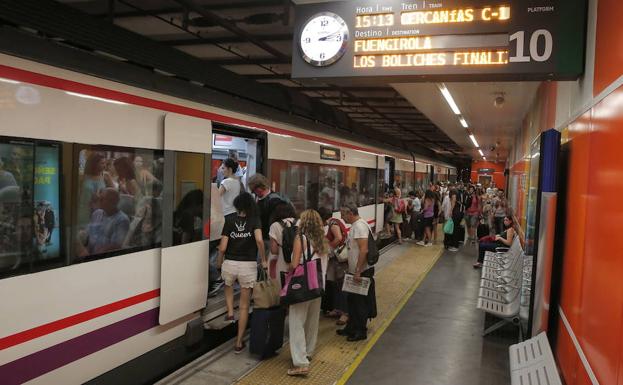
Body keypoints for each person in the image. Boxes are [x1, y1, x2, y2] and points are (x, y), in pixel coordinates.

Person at [216, 192, 267, 353]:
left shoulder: (230, 220)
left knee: (228, 284)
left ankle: (230, 312)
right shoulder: (255, 220)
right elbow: (259, 240)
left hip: (230, 263)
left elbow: (223, 247)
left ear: (238, 206)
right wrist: (264, 259)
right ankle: (238, 343)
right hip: (248, 266)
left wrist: (219, 261)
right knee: (244, 307)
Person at [286, 209, 329, 376]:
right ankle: (308, 352)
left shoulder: (301, 238)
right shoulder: (322, 240)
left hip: (303, 286)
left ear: (303, 222)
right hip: (318, 286)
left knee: (296, 323)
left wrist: (288, 270)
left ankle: (301, 363)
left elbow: (295, 263)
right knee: (312, 321)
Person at [338, 204, 376, 342]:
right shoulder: (356, 225)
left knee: (360, 303)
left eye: (343, 215)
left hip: (361, 271)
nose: (342, 218)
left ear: (350, 213)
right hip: (355, 270)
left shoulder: (359, 226)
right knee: (352, 301)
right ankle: (351, 327)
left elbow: (364, 250)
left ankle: (360, 331)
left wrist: (358, 270)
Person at [318, 206, 348, 326]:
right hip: (335, 260)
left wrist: (328, 248)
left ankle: (345, 313)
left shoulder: (333, 223)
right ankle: (338, 308)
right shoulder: (333, 222)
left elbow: (339, 238)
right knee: (335, 284)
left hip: (339, 260)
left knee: (341, 285)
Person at [78, 188, 130, 257]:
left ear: (113, 202)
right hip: (89, 253)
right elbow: (88, 235)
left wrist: (93, 256)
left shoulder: (122, 220)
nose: (99, 200)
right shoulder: (97, 213)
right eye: (99, 198)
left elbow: (116, 245)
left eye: (102, 199)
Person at [247, 173, 289, 239]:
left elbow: (275, 223)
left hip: (269, 238)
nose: (254, 192)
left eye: (255, 190)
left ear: (260, 187)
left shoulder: (275, 201)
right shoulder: (258, 198)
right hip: (260, 236)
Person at [268, 202, 297, 288]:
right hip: (298, 258)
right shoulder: (300, 222)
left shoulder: (274, 226)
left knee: (282, 286)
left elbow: (274, 251)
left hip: (282, 261)